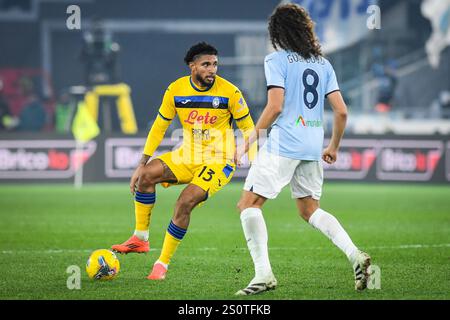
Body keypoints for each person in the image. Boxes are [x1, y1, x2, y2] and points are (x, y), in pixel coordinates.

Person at [234, 4, 372, 295]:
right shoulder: (323, 64)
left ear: (277, 33)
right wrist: (332, 146)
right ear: (305, 29)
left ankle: (263, 275)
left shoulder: (276, 60)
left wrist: (248, 141)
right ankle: (355, 255)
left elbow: (275, 106)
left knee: (248, 204)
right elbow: (342, 111)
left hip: (284, 142)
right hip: (312, 144)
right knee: (309, 210)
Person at [111, 42, 255, 280]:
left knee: (184, 202)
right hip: (187, 155)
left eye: (215, 64)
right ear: (192, 66)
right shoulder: (176, 90)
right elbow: (159, 127)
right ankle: (140, 238)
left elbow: (250, 128)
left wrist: (246, 152)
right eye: (206, 64)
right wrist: (141, 163)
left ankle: (162, 264)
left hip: (218, 161)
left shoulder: (230, 92)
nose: (212, 69)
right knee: (146, 175)